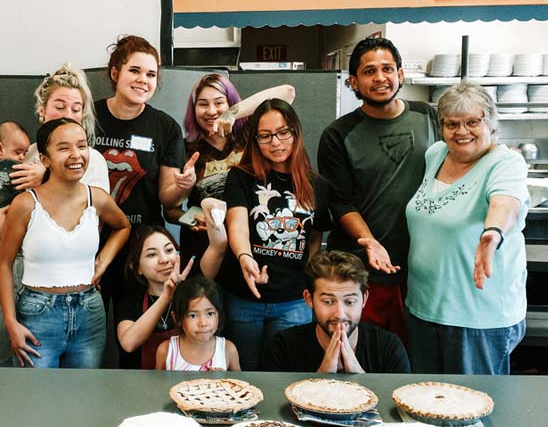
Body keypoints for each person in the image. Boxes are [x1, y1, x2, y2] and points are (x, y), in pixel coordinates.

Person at [0, 63, 110, 367]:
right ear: (42, 110)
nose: (67, 113)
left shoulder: (91, 160)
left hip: (62, 280)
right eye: (59, 105)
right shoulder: (24, 151)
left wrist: (46, 179)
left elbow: (91, 218)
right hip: (14, 268)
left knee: (47, 365)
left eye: (76, 108)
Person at [318, 36, 438, 341]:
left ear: (400, 74)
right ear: (354, 82)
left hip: (421, 267)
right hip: (361, 270)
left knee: (412, 361)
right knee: (363, 360)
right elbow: (341, 202)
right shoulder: (338, 134)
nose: (380, 78)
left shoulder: (428, 117)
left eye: (387, 68)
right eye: (369, 71)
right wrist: (370, 242)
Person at [405, 81, 529, 375]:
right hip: (424, 308)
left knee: (472, 408)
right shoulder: (435, 154)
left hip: (477, 318)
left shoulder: (505, 163)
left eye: (473, 122)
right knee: (425, 404)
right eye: (452, 124)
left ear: (491, 122)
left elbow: (505, 202)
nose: (461, 132)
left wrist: (492, 233)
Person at [0, 118, 130, 368]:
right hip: (38, 315)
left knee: (83, 400)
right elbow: (4, 264)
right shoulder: (25, 204)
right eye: (64, 148)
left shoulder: (97, 198)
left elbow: (123, 227)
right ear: (44, 159)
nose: (76, 155)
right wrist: (11, 322)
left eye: (82, 145)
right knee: (37, 402)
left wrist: (102, 261)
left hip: (89, 312)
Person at [220, 98, 330, 371]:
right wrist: (245, 257)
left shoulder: (317, 185)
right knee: (245, 374)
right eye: (265, 136)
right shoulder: (241, 177)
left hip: (293, 300)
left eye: (283, 133)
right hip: (243, 296)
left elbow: (314, 238)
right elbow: (237, 225)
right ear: (255, 140)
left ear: (295, 132)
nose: (276, 142)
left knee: (285, 374)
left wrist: (308, 276)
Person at [93, 35, 198, 305]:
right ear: (115, 73)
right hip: (90, 244)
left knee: (135, 338)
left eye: (151, 74)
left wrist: (183, 186)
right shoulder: (87, 118)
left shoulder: (165, 128)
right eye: (135, 70)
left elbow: (166, 197)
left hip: (142, 251)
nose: (143, 80)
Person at [171, 73, 296, 274]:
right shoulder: (186, 150)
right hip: (205, 244)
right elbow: (171, 210)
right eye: (203, 104)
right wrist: (193, 218)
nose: (211, 111)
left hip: (253, 240)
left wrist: (231, 113)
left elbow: (288, 92)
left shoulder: (251, 137)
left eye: (219, 102)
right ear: (193, 110)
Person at [264, 250, 410, 373]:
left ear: (364, 299)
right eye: (328, 302)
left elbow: (399, 404)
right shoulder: (283, 346)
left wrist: (361, 378)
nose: (339, 314)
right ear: (309, 299)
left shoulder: (388, 347)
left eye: (350, 302)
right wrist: (321, 376)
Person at [115, 225, 193, 369]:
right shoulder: (130, 304)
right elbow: (128, 343)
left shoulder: (193, 297)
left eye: (169, 250)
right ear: (136, 266)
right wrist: (165, 297)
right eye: (152, 254)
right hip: (140, 385)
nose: (164, 259)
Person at [156, 276, 240, 371]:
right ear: (177, 318)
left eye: (210, 313)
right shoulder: (166, 350)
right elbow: (158, 385)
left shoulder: (227, 350)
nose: (203, 323)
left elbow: (240, 384)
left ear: (218, 314)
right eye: (193, 315)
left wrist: (223, 379)